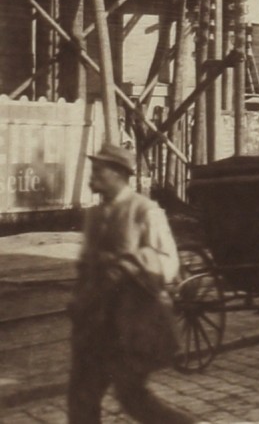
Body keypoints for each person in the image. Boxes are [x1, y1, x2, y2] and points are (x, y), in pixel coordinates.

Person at [68, 142, 196, 424]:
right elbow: (85, 266)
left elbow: (168, 262)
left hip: (132, 323)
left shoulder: (145, 211)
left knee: (131, 396)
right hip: (95, 322)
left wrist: (129, 263)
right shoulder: (94, 215)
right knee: (81, 396)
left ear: (118, 173)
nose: (93, 176)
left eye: (99, 170)